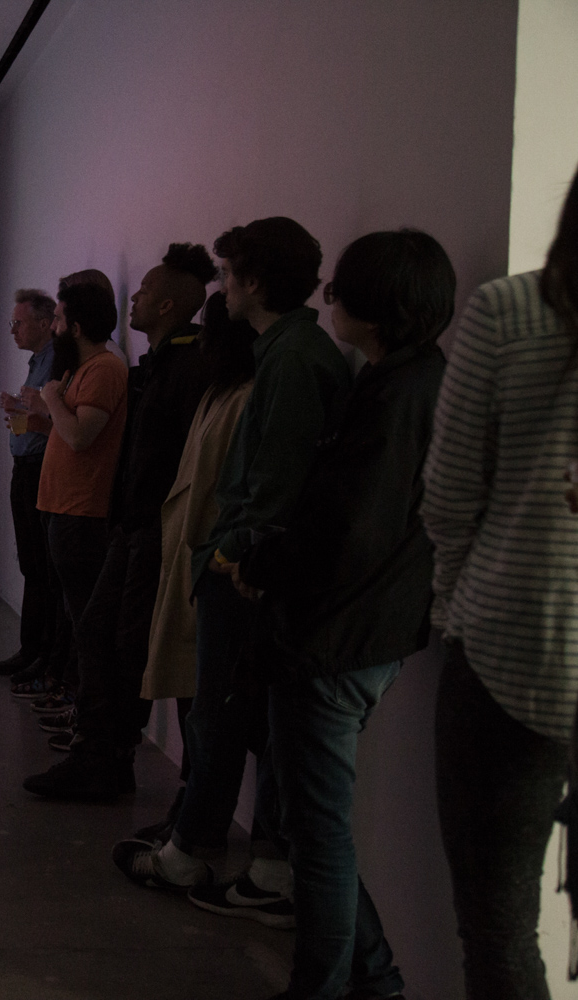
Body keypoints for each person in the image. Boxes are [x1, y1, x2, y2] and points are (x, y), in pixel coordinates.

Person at [226, 230, 454, 1000]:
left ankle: (331, 988)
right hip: (371, 635)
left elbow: (345, 527)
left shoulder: (394, 394)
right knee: (310, 827)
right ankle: (376, 981)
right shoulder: (419, 381)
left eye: (342, 291)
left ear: (377, 306)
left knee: (315, 838)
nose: (329, 302)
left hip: (336, 642)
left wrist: (263, 569)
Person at [114, 217, 350, 919]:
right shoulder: (287, 352)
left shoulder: (294, 358)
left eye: (227, 274)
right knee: (241, 718)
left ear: (252, 280)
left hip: (248, 574)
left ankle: (198, 854)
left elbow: (276, 480)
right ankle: (233, 855)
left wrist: (229, 554)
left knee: (227, 716)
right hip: (249, 567)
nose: (219, 287)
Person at [423, 165, 578, 1000]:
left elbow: (447, 495)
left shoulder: (510, 311)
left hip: (515, 645)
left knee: (499, 924)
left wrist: (457, 603)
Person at [23, 244, 214, 798]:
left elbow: (94, 439)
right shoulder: (154, 368)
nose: (135, 297)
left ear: (171, 304)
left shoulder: (181, 371)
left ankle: (110, 761)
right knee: (99, 635)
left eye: (147, 291)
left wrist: (53, 399)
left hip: (151, 530)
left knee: (117, 642)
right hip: (130, 527)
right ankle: (101, 755)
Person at [133, 292, 257, 842]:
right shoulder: (221, 392)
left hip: (215, 571)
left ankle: (197, 830)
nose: (201, 342)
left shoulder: (244, 396)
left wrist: (217, 558)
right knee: (198, 706)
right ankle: (192, 814)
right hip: (198, 564)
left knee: (212, 711)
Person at [16, 279, 129, 714]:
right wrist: (47, 411)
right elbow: (68, 431)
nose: (54, 326)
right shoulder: (82, 369)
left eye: (59, 318)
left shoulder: (103, 369)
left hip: (81, 510)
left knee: (85, 618)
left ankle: (86, 709)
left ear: (76, 326)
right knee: (71, 610)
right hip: (61, 506)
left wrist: (50, 400)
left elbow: (82, 436)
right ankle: (75, 698)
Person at [0, 289, 59, 678]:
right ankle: (31, 650)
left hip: (39, 468)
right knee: (32, 564)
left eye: (19, 323)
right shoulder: (38, 362)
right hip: (27, 466)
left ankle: (38, 653)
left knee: (40, 567)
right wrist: (19, 407)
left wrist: (31, 416)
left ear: (44, 324)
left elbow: (55, 420)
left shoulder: (55, 362)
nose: (13, 330)